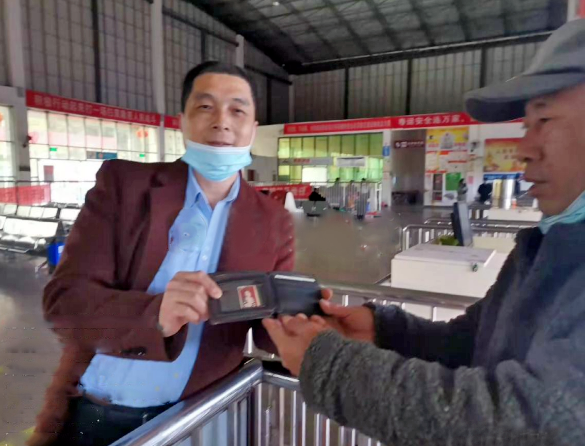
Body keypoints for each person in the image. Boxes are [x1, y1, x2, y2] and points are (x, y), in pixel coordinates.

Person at [263, 19, 585, 446]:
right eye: (527, 125)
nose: (523, 149)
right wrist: (385, 332)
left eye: (544, 118)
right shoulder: (544, 247)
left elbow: (532, 423)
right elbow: (472, 342)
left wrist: (332, 366)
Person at [31, 62, 295, 446]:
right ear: (182, 122)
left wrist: (310, 325)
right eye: (205, 106)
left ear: (253, 129)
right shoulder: (124, 188)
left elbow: (268, 326)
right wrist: (155, 314)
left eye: (237, 110)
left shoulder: (272, 220)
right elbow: (64, 305)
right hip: (101, 413)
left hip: (200, 417)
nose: (222, 121)